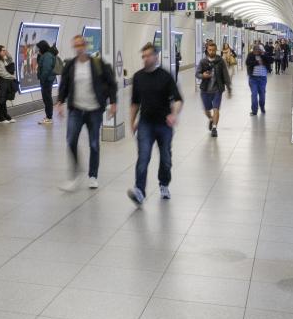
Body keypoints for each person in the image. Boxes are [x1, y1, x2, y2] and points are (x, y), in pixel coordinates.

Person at [56, 34, 117, 191]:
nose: (78, 48)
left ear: (86, 46)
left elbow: (111, 83)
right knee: (70, 140)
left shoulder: (97, 63)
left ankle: (93, 176)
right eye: (75, 46)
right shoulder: (70, 65)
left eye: (80, 45)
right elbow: (64, 85)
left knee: (94, 144)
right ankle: (75, 173)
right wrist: (60, 102)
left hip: (94, 110)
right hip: (76, 109)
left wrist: (113, 103)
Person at [127, 42, 182, 205]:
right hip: (145, 124)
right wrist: (132, 122)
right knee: (143, 157)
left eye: (148, 55)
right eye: (143, 56)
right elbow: (135, 102)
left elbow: (178, 99)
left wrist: (173, 114)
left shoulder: (165, 76)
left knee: (165, 158)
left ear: (156, 57)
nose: (145, 58)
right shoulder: (138, 77)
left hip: (164, 125)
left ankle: (164, 184)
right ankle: (139, 191)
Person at [194, 40, 231, 137]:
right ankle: (211, 119)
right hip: (205, 90)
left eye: (213, 50)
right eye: (210, 50)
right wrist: (203, 75)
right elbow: (197, 74)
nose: (212, 52)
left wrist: (229, 88)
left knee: (216, 109)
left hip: (217, 89)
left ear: (216, 50)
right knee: (207, 110)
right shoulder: (203, 62)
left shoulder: (220, 61)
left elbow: (226, 75)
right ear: (207, 50)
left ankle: (214, 128)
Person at [36, 39, 60, 126]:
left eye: (39, 48)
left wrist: (42, 79)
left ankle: (49, 117)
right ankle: (48, 117)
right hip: (48, 80)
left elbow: (46, 69)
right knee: (47, 98)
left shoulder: (47, 56)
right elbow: (40, 63)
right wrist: (39, 56)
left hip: (46, 80)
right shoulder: (46, 55)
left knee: (47, 98)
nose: (38, 50)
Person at [243, 43, 270, 116]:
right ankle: (254, 110)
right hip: (253, 78)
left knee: (262, 94)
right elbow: (247, 63)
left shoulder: (264, 55)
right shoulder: (251, 55)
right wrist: (257, 62)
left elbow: (270, 61)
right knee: (254, 94)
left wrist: (263, 56)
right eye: (255, 50)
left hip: (262, 78)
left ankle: (262, 107)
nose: (257, 51)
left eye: (259, 50)